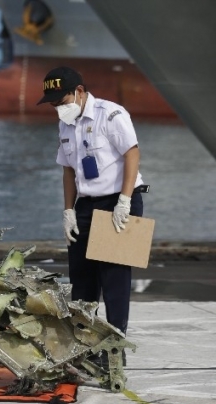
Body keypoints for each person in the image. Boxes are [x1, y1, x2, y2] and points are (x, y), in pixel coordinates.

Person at [37, 66, 147, 341]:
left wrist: (124, 201)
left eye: (61, 102)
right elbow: (68, 170)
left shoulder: (111, 114)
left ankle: (114, 347)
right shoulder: (65, 123)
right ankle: (85, 344)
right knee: (82, 280)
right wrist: (68, 211)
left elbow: (132, 154)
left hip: (118, 200)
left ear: (80, 92)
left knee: (114, 280)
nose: (58, 109)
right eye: (53, 104)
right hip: (85, 205)